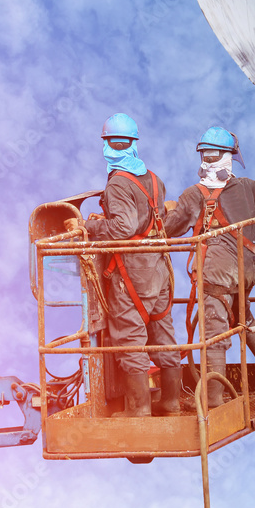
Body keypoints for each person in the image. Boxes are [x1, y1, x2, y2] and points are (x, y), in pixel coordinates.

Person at [64, 113, 182, 417]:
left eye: (113, 142)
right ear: (135, 143)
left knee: (130, 338)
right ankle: (171, 400)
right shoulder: (154, 179)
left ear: (107, 145)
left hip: (132, 271)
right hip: (158, 266)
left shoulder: (117, 184)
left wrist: (87, 228)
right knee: (163, 331)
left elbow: (123, 228)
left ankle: (139, 410)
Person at [165, 126, 255, 408]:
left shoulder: (194, 194)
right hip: (251, 267)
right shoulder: (248, 187)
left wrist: (169, 209)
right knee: (241, 312)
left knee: (213, 331)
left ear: (204, 157)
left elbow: (170, 229)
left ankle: (213, 400)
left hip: (219, 273)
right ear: (230, 157)